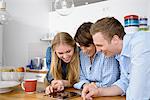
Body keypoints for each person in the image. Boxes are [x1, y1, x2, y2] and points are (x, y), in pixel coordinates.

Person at [82, 17, 150, 100]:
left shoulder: (140, 44)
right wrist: (98, 92)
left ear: (115, 40)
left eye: (100, 45)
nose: (98, 50)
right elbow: (124, 83)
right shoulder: (120, 54)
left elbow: (138, 94)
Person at [73, 22, 119, 92]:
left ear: (95, 42)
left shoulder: (107, 54)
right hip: (89, 93)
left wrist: (90, 85)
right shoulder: (81, 54)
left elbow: (109, 83)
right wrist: (86, 85)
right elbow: (80, 78)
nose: (84, 50)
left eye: (87, 46)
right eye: (81, 46)